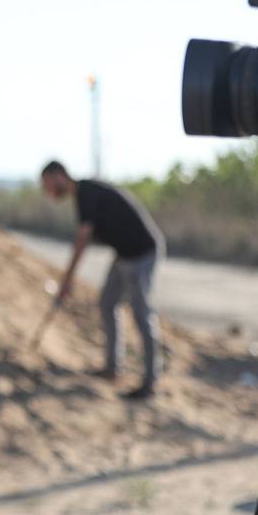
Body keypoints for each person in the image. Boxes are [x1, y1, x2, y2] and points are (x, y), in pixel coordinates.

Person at [40, 159, 165, 399]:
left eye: (48, 184)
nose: (49, 191)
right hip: (123, 254)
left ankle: (150, 381)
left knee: (141, 314)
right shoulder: (82, 195)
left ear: (59, 175)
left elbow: (81, 242)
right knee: (108, 303)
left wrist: (67, 281)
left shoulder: (86, 193)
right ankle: (112, 368)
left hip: (141, 253)